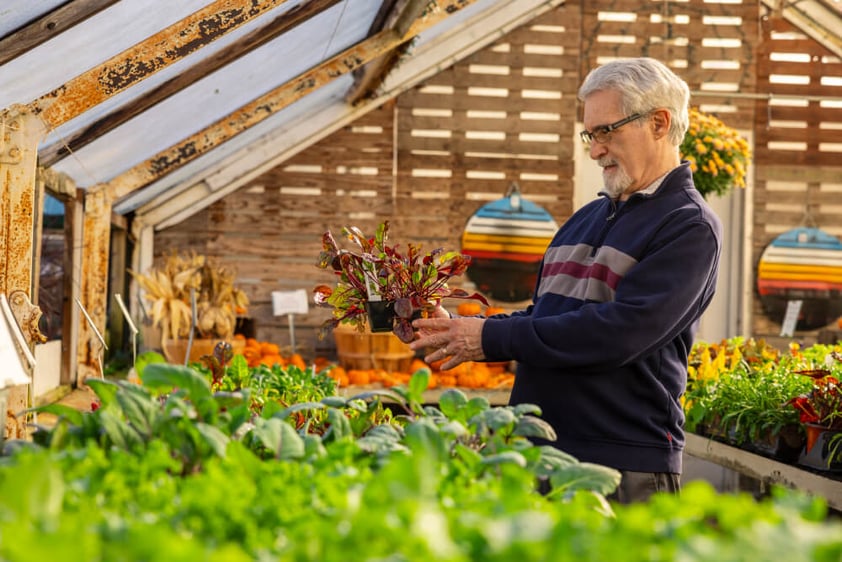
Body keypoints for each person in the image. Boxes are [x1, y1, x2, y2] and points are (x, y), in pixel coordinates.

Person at [409, 57, 723, 504]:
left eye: (606, 131)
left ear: (659, 122)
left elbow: (618, 333)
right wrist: (464, 332)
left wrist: (492, 337)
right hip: (538, 451)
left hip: (620, 466)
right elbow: (549, 318)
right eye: (590, 135)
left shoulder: (688, 226)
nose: (594, 150)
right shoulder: (584, 220)